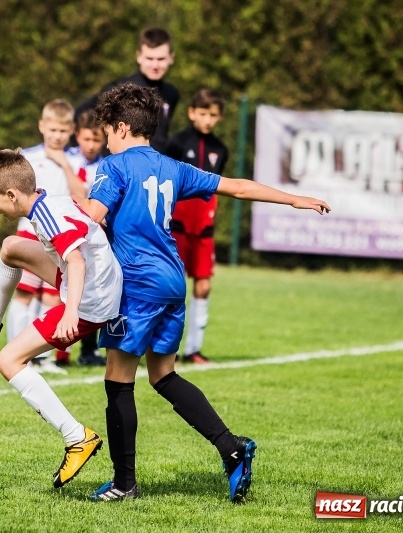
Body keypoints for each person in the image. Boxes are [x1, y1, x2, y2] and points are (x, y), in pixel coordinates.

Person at [82, 83, 331, 502]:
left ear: (122, 128)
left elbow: (91, 218)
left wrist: (46, 215)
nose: (105, 139)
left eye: (107, 130)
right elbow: (239, 187)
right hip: (173, 282)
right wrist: (294, 200)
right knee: (163, 375)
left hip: (138, 285)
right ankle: (231, 448)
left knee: (118, 382)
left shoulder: (114, 166)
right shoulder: (173, 167)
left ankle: (124, 484)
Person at [0, 148, 123, 488]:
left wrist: (71, 310)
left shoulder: (47, 215)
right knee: (12, 247)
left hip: (89, 300)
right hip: (94, 284)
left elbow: (77, 262)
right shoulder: (48, 201)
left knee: (8, 360)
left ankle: (77, 437)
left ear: (12, 195)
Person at [11, 99, 87, 374]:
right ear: (42, 126)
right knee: (24, 294)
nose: (56, 136)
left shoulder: (76, 160)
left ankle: (43, 357)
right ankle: (16, 350)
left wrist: (64, 164)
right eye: (52, 129)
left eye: (62, 131)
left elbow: (83, 195)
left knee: (53, 298)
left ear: (71, 132)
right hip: (30, 236)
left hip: (60, 242)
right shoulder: (28, 158)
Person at [165, 88, 229, 364]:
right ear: (191, 113)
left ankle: (194, 349)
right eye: (202, 113)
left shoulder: (221, 150)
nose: (207, 119)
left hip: (203, 229)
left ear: (220, 117)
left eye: (213, 114)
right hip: (177, 225)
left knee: (203, 287)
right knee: (173, 286)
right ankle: (171, 349)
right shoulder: (177, 143)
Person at [75, 27, 179, 154]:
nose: (155, 65)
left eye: (160, 59)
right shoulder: (120, 90)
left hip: (155, 168)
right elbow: (78, 116)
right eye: (150, 59)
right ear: (139, 56)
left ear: (171, 58)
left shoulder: (171, 93)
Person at [65, 109, 107, 367]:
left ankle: (88, 349)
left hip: (94, 236)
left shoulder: (105, 166)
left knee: (94, 290)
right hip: (67, 234)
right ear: (77, 135)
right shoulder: (66, 160)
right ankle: (57, 351)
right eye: (87, 139)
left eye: (96, 140)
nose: (91, 146)